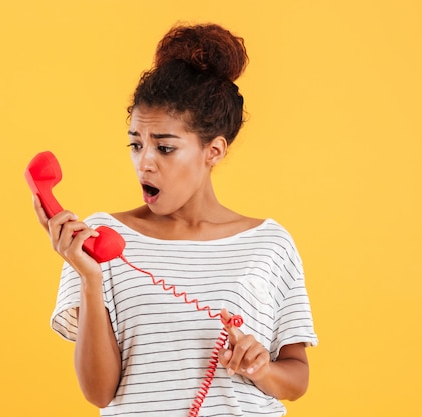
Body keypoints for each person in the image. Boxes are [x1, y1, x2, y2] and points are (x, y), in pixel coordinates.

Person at [33, 22, 318, 417]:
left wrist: (261, 368)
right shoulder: (100, 238)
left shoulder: (270, 245)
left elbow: (297, 379)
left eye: (164, 147)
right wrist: (90, 279)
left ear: (213, 151)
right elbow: (98, 394)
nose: (144, 163)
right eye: (136, 144)